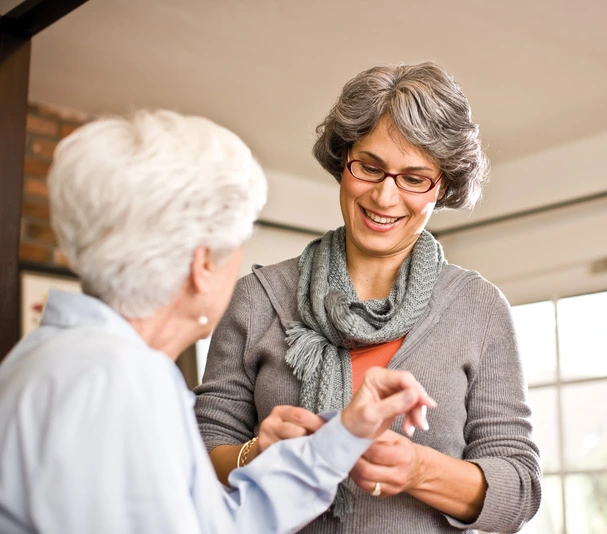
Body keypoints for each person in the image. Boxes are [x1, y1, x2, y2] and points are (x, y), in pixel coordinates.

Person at [0, 110, 437, 534]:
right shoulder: (122, 382)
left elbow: (216, 523)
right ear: (203, 265)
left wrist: (342, 436)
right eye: (238, 245)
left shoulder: (46, 358)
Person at [195, 62, 543, 533]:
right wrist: (257, 454)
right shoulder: (258, 299)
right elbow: (198, 452)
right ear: (343, 162)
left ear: (441, 187)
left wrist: (420, 470)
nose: (384, 196)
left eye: (414, 178)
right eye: (370, 167)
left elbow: (519, 488)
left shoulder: (478, 309)